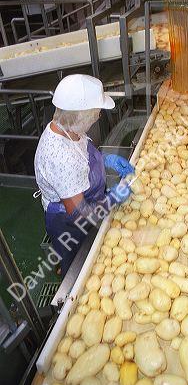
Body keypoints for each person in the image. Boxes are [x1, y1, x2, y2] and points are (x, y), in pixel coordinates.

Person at [34, 74, 134, 276]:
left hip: (84, 197)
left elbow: (82, 154)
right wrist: (112, 199)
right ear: (79, 115)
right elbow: (80, 213)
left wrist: (105, 159)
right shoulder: (60, 157)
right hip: (68, 220)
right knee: (75, 260)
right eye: (95, 113)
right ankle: (65, 273)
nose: (98, 116)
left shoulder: (66, 128)